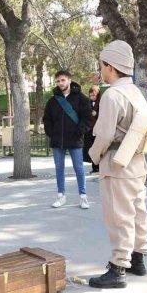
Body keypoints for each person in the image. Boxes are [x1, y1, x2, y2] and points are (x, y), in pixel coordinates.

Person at [88, 40, 147, 288]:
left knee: (118, 216)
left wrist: (94, 155)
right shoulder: (135, 92)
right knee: (137, 212)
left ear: (110, 66)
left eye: (102, 65)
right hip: (137, 162)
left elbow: (104, 135)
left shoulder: (112, 95)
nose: (101, 70)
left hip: (116, 163)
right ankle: (138, 258)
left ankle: (118, 268)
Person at [43, 70, 92, 209]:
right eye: (58, 81)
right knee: (59, 169)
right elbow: (47, 119)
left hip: (75, 140)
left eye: (63, 80)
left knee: (79, 168)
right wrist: (51, 133)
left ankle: (83, 197)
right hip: (58, 141)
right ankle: (61, 196)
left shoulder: (81, 99)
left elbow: (87, 118)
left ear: (69, 80)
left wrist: (79, 131)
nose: (60, 83)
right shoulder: (52, 101)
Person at [83, 85, 101, 174]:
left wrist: (96, 113)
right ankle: (94, 167)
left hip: (99, 130)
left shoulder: (102, 102)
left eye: (94, 95)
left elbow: (106, 114)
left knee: (99, 148)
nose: (92, 97)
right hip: (90, 130)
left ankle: (100, 167)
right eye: (90, 96)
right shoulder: (88, 103)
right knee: (91, 148)